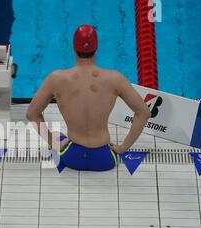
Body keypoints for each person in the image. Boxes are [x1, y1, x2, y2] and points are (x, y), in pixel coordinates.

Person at [26, 25, 151, 171]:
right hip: (104, 159)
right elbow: (144, 113)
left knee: (56, 135)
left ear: (73, 47)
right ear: (96, 48)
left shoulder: (56, 78)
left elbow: (32, 114)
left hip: (72, 156)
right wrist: (123, 147)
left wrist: (54, 143)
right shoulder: (115, 78)